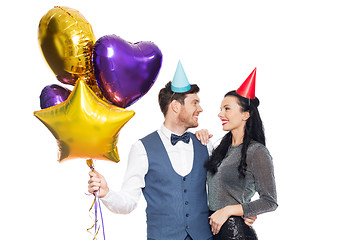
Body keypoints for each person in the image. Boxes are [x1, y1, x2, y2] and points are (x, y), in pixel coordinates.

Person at [88, 61, 255, 240]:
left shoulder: (205, 144)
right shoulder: (141, 149)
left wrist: (244, 209)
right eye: (195, 103)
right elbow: (128, 202)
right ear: (176, 106)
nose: (200, 108)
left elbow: (222, 190)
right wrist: (107, 193)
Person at [204, 68, 278, 239]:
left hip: (235, 233)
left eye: (227, 109)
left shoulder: (257, 152)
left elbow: (270, 201)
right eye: (221, 109)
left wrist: (230, 210)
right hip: (213, 232)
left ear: (245, 114)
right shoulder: (222, 150)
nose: (220, 114)